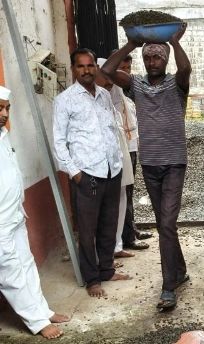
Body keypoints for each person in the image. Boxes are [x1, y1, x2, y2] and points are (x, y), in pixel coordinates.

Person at [101, 25, 191, 310]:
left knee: (165, 223)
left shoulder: (177, 85)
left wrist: (175, 42)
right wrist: (130, 45)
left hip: (174, 162)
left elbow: (186, 68)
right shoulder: (136, 85)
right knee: (166, 224)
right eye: (148, 58)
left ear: (166, 60)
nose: (152, 62)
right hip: (150, 164)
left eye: (157, 57)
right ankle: (180, 270)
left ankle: (168, 287)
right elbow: (106, 72)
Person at [53, 49, 131, 298]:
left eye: (90, 66)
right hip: (87, 174)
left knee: (109, 224)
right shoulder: (65, 100)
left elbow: (110, 131)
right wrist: (75, 173)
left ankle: (106, 269)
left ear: (95, 68)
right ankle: (92, 279)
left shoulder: (104, 96)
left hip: (111, 170)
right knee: (88, 230)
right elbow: (58, 141)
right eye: (81, 66)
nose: (86, 70)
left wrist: (116, 161)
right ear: (74, 69)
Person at [0, 86, 69, 344]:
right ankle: (37, 322)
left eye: (7, 109)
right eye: (0, 109)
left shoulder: (3, 135)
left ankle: (42, 310)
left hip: (14, 214)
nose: (4, 114)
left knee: (26, 263)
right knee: (11, 271)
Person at [108, 49, 152, 249]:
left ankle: (130, 230)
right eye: (121, 68)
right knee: (122, 194)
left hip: (131, 145)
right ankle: (127, 237)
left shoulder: (128, 89)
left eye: (128, 67)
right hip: (120, 147)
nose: (126, 71)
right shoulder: (109, 89)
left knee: (129, 193)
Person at [94, 69, 136, 260]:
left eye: (111, 81)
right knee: (105, 208)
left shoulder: (113, 99)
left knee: (121, 200)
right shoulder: (91, 100)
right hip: (102, 164)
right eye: (106, 80)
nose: (110, 84)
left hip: (120, 157)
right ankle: (105, 253)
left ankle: (116, 246)